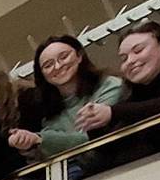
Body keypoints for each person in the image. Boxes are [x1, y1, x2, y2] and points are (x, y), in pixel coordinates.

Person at [76, 20, 160, 168]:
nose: (131, 61)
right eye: (124, 58)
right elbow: (110, 151)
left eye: (138, 50)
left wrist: (114, 112)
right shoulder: (130, 97)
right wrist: (95, 125)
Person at [22, 34, 123, 169]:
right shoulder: (49, 114)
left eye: (63, 57)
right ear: (42, 75)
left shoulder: (109, 85)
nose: (57, 66)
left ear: (79, 56)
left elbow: (93, 138)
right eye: (48, 65)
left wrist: (41, 139)